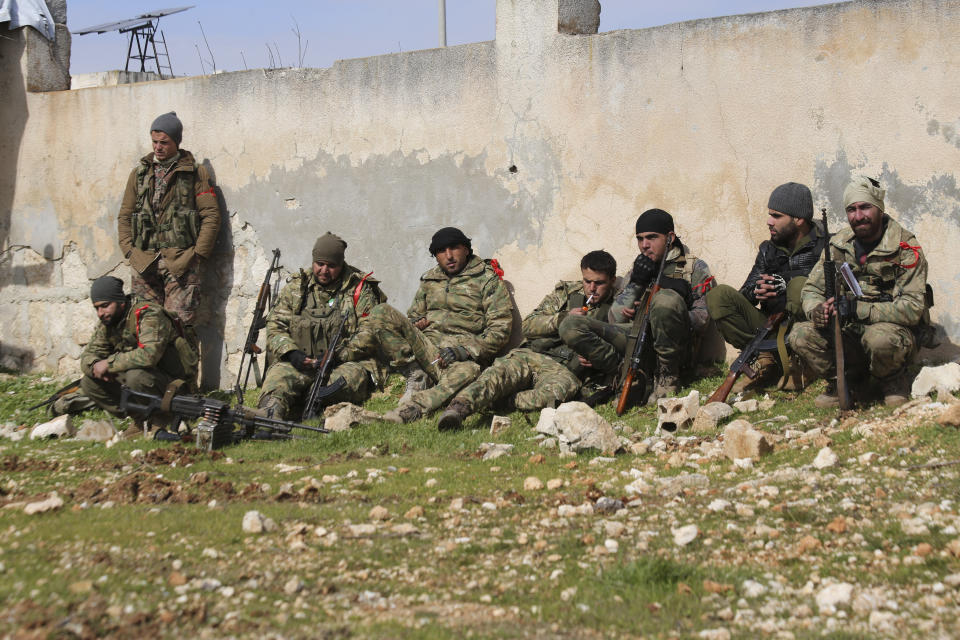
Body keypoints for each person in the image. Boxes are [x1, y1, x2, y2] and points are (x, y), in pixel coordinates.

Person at [343, 227, 513, 424]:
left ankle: (415, 408)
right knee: (381, 312)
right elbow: (414, 314)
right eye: (441, 251)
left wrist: (464, 351)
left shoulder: (487, 280)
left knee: (469, 372)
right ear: (435, 256)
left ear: (466, 249)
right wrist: (416, 322)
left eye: (454, 248)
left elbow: (500, 330)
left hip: (458, 357)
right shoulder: (430, 279)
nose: (448, 256)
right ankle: (416, 377)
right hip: (426, 349)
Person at [789, 176, 930, 407]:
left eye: (865, 207)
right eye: (851, 209)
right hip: (850, 332)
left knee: (879, 339)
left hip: (893, 333)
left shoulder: (905, 247)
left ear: (879, 208)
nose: (858, 215)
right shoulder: (839, 244)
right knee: (800, 334)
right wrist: (817, 310)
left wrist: (858, 309)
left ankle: (893, 381)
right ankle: (848, 381)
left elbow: (913, 309)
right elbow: (812, 288)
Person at [437, 250, 618, 429]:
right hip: (532, 355)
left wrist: (595, 357)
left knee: (552, 397)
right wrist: (560, 319)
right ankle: (457, 410)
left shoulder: (617, 308)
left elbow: (619, 348)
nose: (592, 289)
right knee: (496, 376)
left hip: (564, 371)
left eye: (599, 283)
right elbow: (529, 325)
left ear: (612, 281)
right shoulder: (567, 294)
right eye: (587, 281)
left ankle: (502, 401)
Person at [559, 209, 714, 402]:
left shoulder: (693, 268)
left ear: (670, 237)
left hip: (675, 349)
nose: (644, 245)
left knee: (665, 300)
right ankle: (624, 374)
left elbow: (702, 319)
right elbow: (615, 318)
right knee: (571, 325)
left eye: (651, 238)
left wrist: (662, 312)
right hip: (636, 342)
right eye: (640, 239)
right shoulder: (640, 267)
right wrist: (637, 285)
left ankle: (667, 377)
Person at [705, 182, 825, 392]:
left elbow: (829, 293)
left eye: (776, 216)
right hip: (770, 329)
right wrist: (758, 290)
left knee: (799, 286)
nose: (769, 222)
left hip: (807, 334)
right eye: (769, 214)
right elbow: (745, 294)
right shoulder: (769, 249)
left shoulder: (825, 246)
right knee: (719, 296)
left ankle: (804, 364)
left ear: (798, 219)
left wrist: (786, 286)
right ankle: (765, 362)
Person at [256, 233, 387, 420]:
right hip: (302, 362)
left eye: (331, 266)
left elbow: (370, 332)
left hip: (345, 364)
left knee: (339, 384)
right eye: (320, 264)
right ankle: (270, 412)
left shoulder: (359, 289)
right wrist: (291, 353)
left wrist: (338, 354)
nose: (324, 271)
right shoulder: (297, 287)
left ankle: (312, 405)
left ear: (341, 265)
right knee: (278, 377)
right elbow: (276, 325)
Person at [117, 111, 221, 344]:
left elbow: (211, 215)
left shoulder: (194, 173)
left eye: (164, 142)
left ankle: (183, 381)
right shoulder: (140, 173)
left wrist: (198, 255)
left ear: (176, 142)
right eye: (154, 142)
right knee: (147, 330)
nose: (158, 147)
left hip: (181, 263)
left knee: (180, 330)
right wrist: (129, 250)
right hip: (145, 263)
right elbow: (125, 215)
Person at [77, 276, 198, 438]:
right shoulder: (109, 322)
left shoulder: (148, 314)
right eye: (97, 308)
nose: (100, 313)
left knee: (135, 375)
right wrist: (95, 366)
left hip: (174, 386)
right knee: (89, 382)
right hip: (146, 382)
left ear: (120, 302)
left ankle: (162, 419)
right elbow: (88, 356)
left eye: (105, 306)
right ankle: (141, 421)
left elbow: (149, 356)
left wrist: (109, 364)